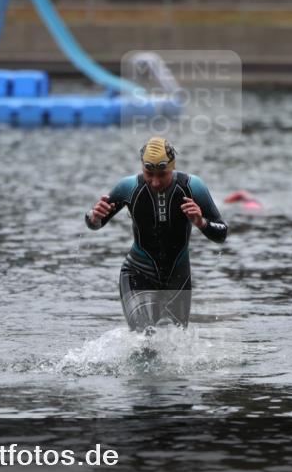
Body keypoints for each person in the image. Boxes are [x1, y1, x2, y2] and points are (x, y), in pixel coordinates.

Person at [85, 137, 228, 332]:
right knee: (145, 339)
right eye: (148, 173)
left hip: (178, 276)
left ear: (173, 167)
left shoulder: (193, 187)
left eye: (162, 174)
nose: (155, 181)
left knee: (175, 350)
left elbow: (221, 234)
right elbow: (94, 223)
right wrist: (94, 217)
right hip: (138, 272)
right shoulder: (128, 187)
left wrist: (200, 222)